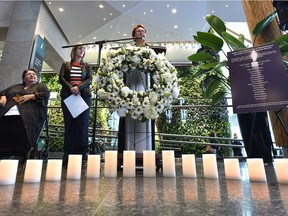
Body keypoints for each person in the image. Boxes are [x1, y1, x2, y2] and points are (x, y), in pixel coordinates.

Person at [0, 68, 50, 160]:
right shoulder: (15, 87)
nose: (32, 75)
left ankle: (20, 155)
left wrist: (31, 96)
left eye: (34, 74)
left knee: (21, 128)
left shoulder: (40, 86)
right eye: (29, 74)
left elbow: (45, 94)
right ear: (24, 78)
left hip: (28, 115)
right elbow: (3, 91)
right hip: (7, 114)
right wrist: (3, 97)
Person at [59, 45, 92, 166]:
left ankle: (82, 155)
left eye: (83, 49)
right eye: (79, 49)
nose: (82, 51)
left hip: (83, 97)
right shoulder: (66, 64)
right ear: (74, 51)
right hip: (68, 96)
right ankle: (67, 154)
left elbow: (89, 79)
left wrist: (78, 87)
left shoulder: (87, 66)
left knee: (82, 125)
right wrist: (71, 88)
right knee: (69, 125)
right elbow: (61, 78)